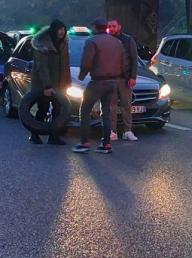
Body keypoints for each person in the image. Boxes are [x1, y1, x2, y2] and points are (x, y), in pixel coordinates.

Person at [72, 18, 125, 155]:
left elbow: (87, 62)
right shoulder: (117, 42)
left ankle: (84, 142)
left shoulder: (92, 41)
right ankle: (106, 144)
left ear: (95, 28)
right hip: (112, 82)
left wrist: (82, 75)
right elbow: (123, 62)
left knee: (85, 110)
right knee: (106, 112)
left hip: (97, 81)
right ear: (106, 28)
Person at [28, 19, 71, 145]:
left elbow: (65, 65)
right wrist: (47, 86)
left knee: (57, 109)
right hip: (44, 84)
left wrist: (67, 82)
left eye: (63, 29)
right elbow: (42, 68)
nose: (62, 32)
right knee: (43, 108)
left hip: (59, 83)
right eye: (59, 29)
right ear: (54, 30)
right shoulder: (42, 44)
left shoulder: (63, 43)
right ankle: (34, 134)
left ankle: (54, 136)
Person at [107, 19, 139, 142]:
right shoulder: (106, 40)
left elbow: (134, 59)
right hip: (110, 78)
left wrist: (133, 77)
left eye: (114, 26)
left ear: (119, 27)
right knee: (111, 107)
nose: (111, 28)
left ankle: (128, 131)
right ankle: (112, 131)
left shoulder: (128, 40)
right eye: (109, 26)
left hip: (124, 78)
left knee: (126, 105)